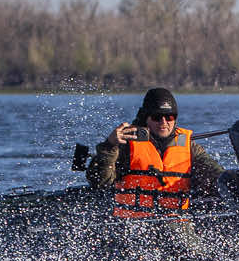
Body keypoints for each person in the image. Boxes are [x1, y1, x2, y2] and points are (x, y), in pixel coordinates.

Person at [85, 87, 224, 218]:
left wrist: (235, 181)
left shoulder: (190, 147)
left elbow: (215, 174)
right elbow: (99, 182)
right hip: (132, 226)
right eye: (157, 117)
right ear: (146, 118)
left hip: (176, 224)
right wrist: (109, 146)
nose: (164, 122)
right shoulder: (126, 144)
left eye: (169, 117)